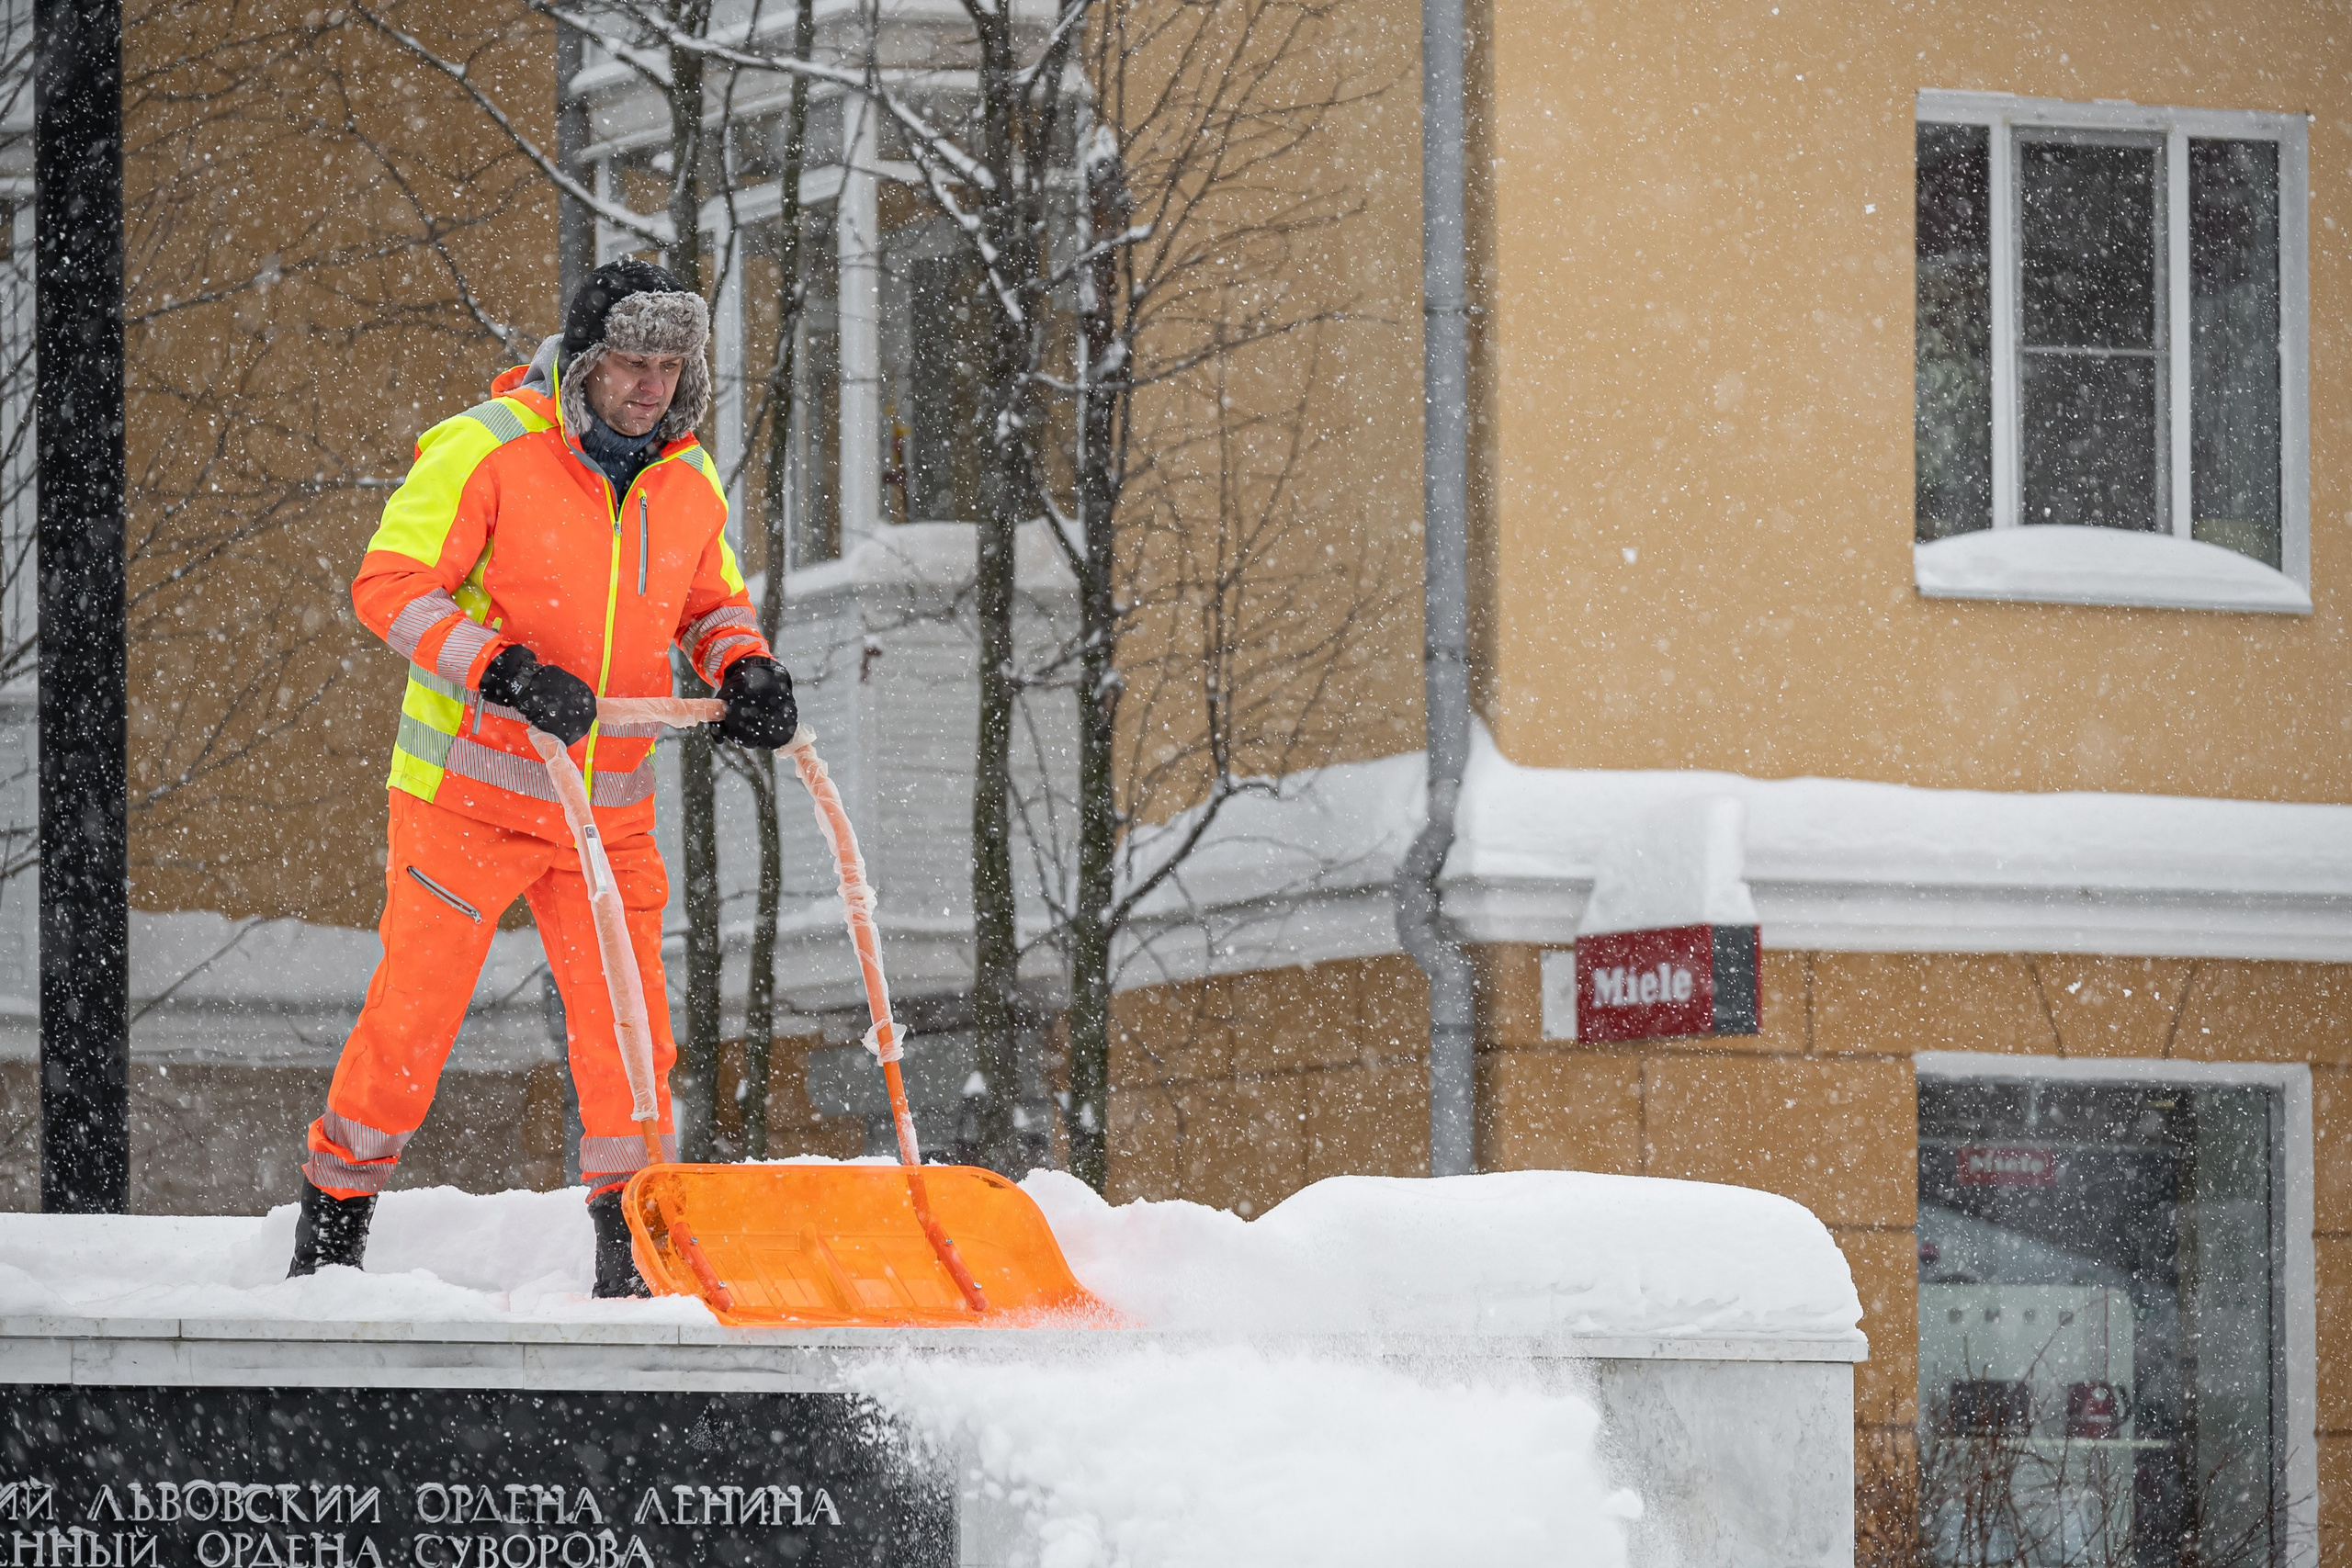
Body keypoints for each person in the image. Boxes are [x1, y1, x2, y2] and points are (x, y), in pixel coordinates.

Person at [288, 259, 799, 1295]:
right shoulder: (489, 449)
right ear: (584, 362)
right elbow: (390, 585)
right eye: (630, 365)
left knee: (631, 1037)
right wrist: (504, 671)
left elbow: (711, 604)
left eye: (669, 366)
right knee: (413, 1023)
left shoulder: (685, 480)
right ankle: (332, 1236)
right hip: (467, 801)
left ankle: (632, 1261)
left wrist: (746, 666)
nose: (650, 387)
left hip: (605, 815)